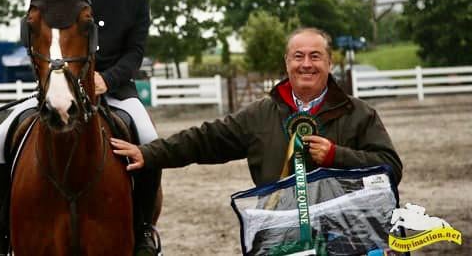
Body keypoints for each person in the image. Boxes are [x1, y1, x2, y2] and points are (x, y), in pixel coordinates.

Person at [0, 0, 161, 256]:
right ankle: (0, 228)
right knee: (1, 136)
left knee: (149, 139)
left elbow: (135, 52)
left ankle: (143, 230)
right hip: (59, 84)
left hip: (116, 90)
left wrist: (107, 79)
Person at [112, 27, 402, 193]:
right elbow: (206, 139)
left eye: (316, 56)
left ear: (330, 63)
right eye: (298, 56)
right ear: (287, 62)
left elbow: (391, 167)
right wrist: (149, 153)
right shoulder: (261, 114)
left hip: (346, 233)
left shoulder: (359, 113)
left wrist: (335, 155)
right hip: (281, 233)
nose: (306, 64)